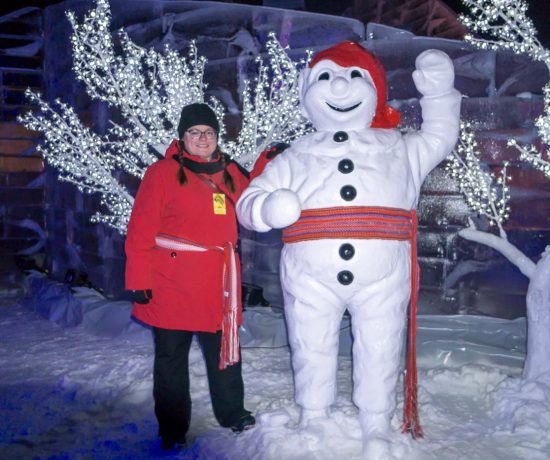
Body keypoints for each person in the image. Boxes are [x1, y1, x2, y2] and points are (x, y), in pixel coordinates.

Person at [237, 42, 461, 457]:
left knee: (381, 343)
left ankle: (375, 420)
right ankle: (314, 415)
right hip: (309, 276)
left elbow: (440, 135)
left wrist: (439, 93)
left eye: (354, 75)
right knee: (310, 343)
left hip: (383, 276)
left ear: (374, 91)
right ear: (306, 92)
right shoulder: (294, 155)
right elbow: (248, 202)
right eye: (325, 76)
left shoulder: (399, 147)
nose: (340, 85)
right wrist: (267, 207)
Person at [125, 102, 256, 451]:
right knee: (170, 359)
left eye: (209, 132)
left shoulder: (229, 172)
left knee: (225, 351)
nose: (202, 138)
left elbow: (257, 200)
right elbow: (140, 230)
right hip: (170, 280)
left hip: (217, 283)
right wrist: (138, 279)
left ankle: (232, 413)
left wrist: (268, 165)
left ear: (217, 138)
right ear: (182, 138)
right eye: (195, 132)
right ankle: (172, 428)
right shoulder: (162, 173)